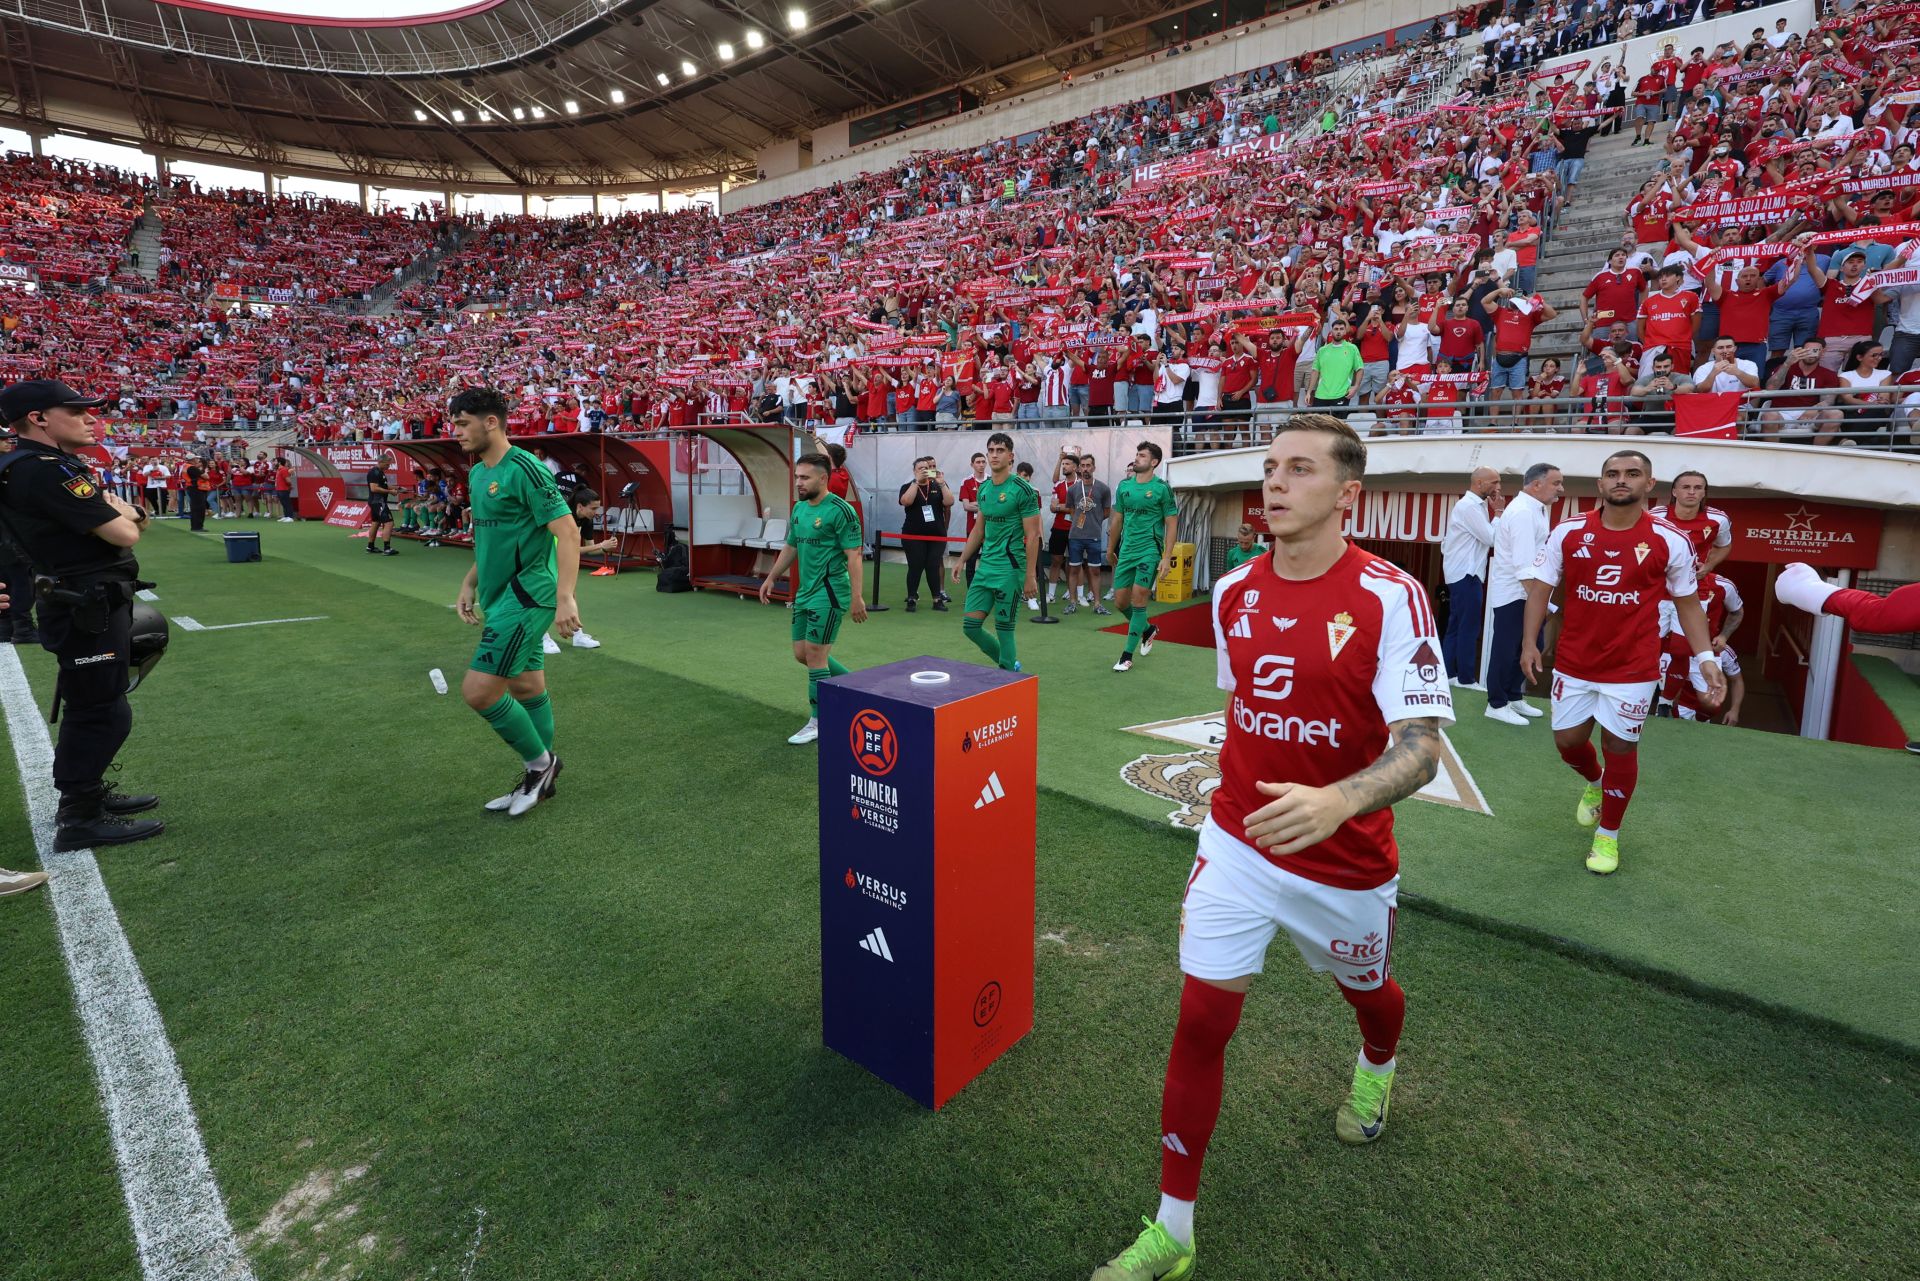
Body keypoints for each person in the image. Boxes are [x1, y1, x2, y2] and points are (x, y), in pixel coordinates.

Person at [1090, 414, 1451, 1281]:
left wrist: (1339, 798)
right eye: (1269, 467)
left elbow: (1422, 747)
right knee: (1201, 1018)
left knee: (1370, 994)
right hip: (1239, 842)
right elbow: (1246, 707)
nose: (1275, 484)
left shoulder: (1391, 596)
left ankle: (1377, 1062)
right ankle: (1174, 1228)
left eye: (1299, 469)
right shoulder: (1233, 591)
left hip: (1346, 860)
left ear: (1348, 494)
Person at [1521, 450, 1723, 875]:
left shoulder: (1670, 539)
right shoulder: (1568, 531)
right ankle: (1596, 783)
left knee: (1620, 746)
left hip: (1634, 666)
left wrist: (1706, 657)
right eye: (1612, 474)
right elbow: (1540, 590)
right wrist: (1529, 643)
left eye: (1632, 474)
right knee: (1568, 742)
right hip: (1575, 661)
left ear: (1649, 484)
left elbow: (1688, 603)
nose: (1621, 480)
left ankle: (1608, 835)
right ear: (1600, 484)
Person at [0, 380, 164, 851]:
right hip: (82, 602)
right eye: (75, 411)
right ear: (38, 418)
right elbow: (125, 532)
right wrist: (131, 516)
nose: (91, 418)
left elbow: (125, 521)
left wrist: (129, 515)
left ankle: (87, 796)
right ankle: (80, 816)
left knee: (96, 703)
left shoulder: (43, 465)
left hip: (86, 598)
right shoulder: (43, 471)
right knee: (101, 711)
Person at [449, 387, 581, 816]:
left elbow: (568, 532)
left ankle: (541, 767)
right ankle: (538, 775)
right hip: (499, 596)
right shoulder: (477, 474)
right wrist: (470, 582)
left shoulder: (526, 469)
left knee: (479, 692)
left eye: (463, 423)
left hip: (527, 595)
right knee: (526, 686)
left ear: (491, 422)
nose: (456, 432)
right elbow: (492, 538)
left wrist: (565, 597)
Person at [760, 452, 867, 744]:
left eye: (805, 477)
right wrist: (771, 577)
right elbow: (791, 546)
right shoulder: (799, 509)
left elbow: (854, 556)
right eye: (797, 476)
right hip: (805, 592)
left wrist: (857, 597)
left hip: (830, 592)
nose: (799, 482)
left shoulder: (842, 510)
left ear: (823, 478)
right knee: (801, 654)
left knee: (816, 654)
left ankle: (818, 721)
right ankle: (858, 688)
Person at [949, 432, 1038, 674]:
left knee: (1004, 628)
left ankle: (1008, 677)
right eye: (991, 450)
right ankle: (1010, 665)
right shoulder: (984, 489)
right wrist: (962, 559)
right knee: (971, 626)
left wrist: (1030, 576)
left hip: (1010, 569)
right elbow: (978, 530)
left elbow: (1033, 536)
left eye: (1000, 450)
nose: (994, 455)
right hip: (986, 567)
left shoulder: (1023, 489)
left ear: (1011, 456)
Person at [1485, 462, 1561, 725]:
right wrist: (1544, 605)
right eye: (1556, 483)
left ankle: (1513, 696)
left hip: (1528, 594)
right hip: (1514, 594)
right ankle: (1496, 703)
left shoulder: (1536, 509)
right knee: (1506, 649)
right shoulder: (1522, 512)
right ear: (1536, 485)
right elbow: (1524, 566)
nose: (1560, 489)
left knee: (1533, 646)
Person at [1107, 440, 1178, 673]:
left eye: (1143, 455)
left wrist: (1166, 557)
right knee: (1120, 602)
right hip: (1126, 550)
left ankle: (1126, 656)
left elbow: (1171, 523)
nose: (1137, 458)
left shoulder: (1161, 488)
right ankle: (1147, 629)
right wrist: (1110, 549)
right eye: (1137, 454)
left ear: (1154, 462)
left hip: (1149, 550)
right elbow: (1117, 519)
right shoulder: (1124, 486)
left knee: (1139, 598)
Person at [1440, 467, 1502, 688]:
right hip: (1467, 573)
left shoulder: (1473, 505)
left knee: (1457, 626)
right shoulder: (1469, 506)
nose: (1498, 487)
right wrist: (1499, 513)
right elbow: (1492, 538)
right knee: (1468, 626)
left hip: (1463, 573)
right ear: (1479, 483)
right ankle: (1465, 678)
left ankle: (1449, 674)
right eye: (1494, 482)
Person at [897, 454, 953, 613]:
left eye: (926, 468)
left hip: (936, 535)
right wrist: (916, 482)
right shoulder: (907, 486)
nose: (924, 471)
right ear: (914, 471)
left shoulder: (938, 485)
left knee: (933, 565)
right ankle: (911, 598)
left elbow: (949, 502)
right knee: (915, 565)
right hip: (913, 535)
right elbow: (906, 501)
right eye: (920, 468)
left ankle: (937, 599)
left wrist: (942, 484)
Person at [1649, 470, 1730, 573]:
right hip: (1658, 577)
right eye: (1686, 487)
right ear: (1674, 492)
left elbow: (1723, 546)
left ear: (1704, 493)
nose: (1691, 492)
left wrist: (1709, 566)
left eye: (1698, 488)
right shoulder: (1654, 517)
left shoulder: (1718, 519)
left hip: (1695, 577)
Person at [1063, 452, 1112, 615]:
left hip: (1094, 535)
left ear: (1094, 467)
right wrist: (1080, 521)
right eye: (1082, 466)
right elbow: (1071, 510)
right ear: (1079, 468)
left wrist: (1094, 521)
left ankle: (1097, 604)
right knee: (1073, 570)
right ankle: (1072, 602)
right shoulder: (1073, 489)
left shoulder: (1103, 488)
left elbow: (1107, 512)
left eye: (1088, 465)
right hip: (1075, 536)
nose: (1085, 469)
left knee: (1095, 571)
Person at [956, 451, 987, 584]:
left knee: (988, 561)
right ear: (972, 464)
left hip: (989, 528)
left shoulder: (991, 480)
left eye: (983, 462)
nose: (981, 465)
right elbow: (966, 506)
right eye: (978, 462)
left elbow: (994, 505)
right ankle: (971, 591)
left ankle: (987, 590)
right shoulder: (966, 481)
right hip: (972, 528)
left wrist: (975, 504)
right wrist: (984, 506)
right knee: (970, 561)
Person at [366, 452, 399, 556]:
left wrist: (397, 488)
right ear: (380, 462)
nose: (388, 466)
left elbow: (383, 485)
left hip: (376, 502)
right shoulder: (374, 472)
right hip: (378, 502)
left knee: (375, 523)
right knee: (389, 523)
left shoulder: (379, 472)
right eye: (387, 464)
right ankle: (387, 549)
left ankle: (370, 546)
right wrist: (390, 492)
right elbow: (374, 488)